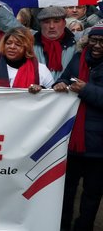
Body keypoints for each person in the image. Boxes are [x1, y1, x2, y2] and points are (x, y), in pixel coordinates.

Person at [53, 23, 103, 231]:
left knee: (91, 195)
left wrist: (86, 90)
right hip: (71, 141)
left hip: (98, 147)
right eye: (93, 40)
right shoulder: (77, 59)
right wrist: (60, 84)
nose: (97, 45)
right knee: (65, 192)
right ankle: (61, 226)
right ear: (87, 41)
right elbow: (65, 77)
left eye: (102, 42)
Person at [0, 27, 54, 92]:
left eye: (18, 44)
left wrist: (42, 91)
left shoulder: (41, 71)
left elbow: (52, 97)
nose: (12, 47)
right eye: (8, 43)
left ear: (27, 48)